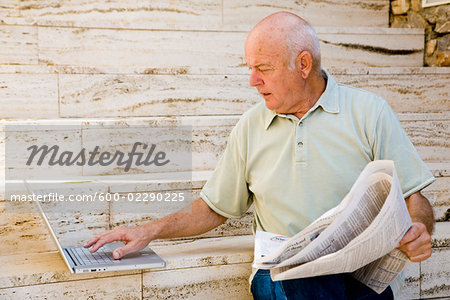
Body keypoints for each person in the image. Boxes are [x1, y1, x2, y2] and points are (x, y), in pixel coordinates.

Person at [85, 11, 435, 299]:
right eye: (249, 68)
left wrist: (419, 227)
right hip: (286, 270)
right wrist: (150, 230)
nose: (252, 81)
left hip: (359, 270)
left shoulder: (369, 112)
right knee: (304, 285)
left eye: (263, 68)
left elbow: (412, 196)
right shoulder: (250, 127)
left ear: (303, 64)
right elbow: (213, 208)